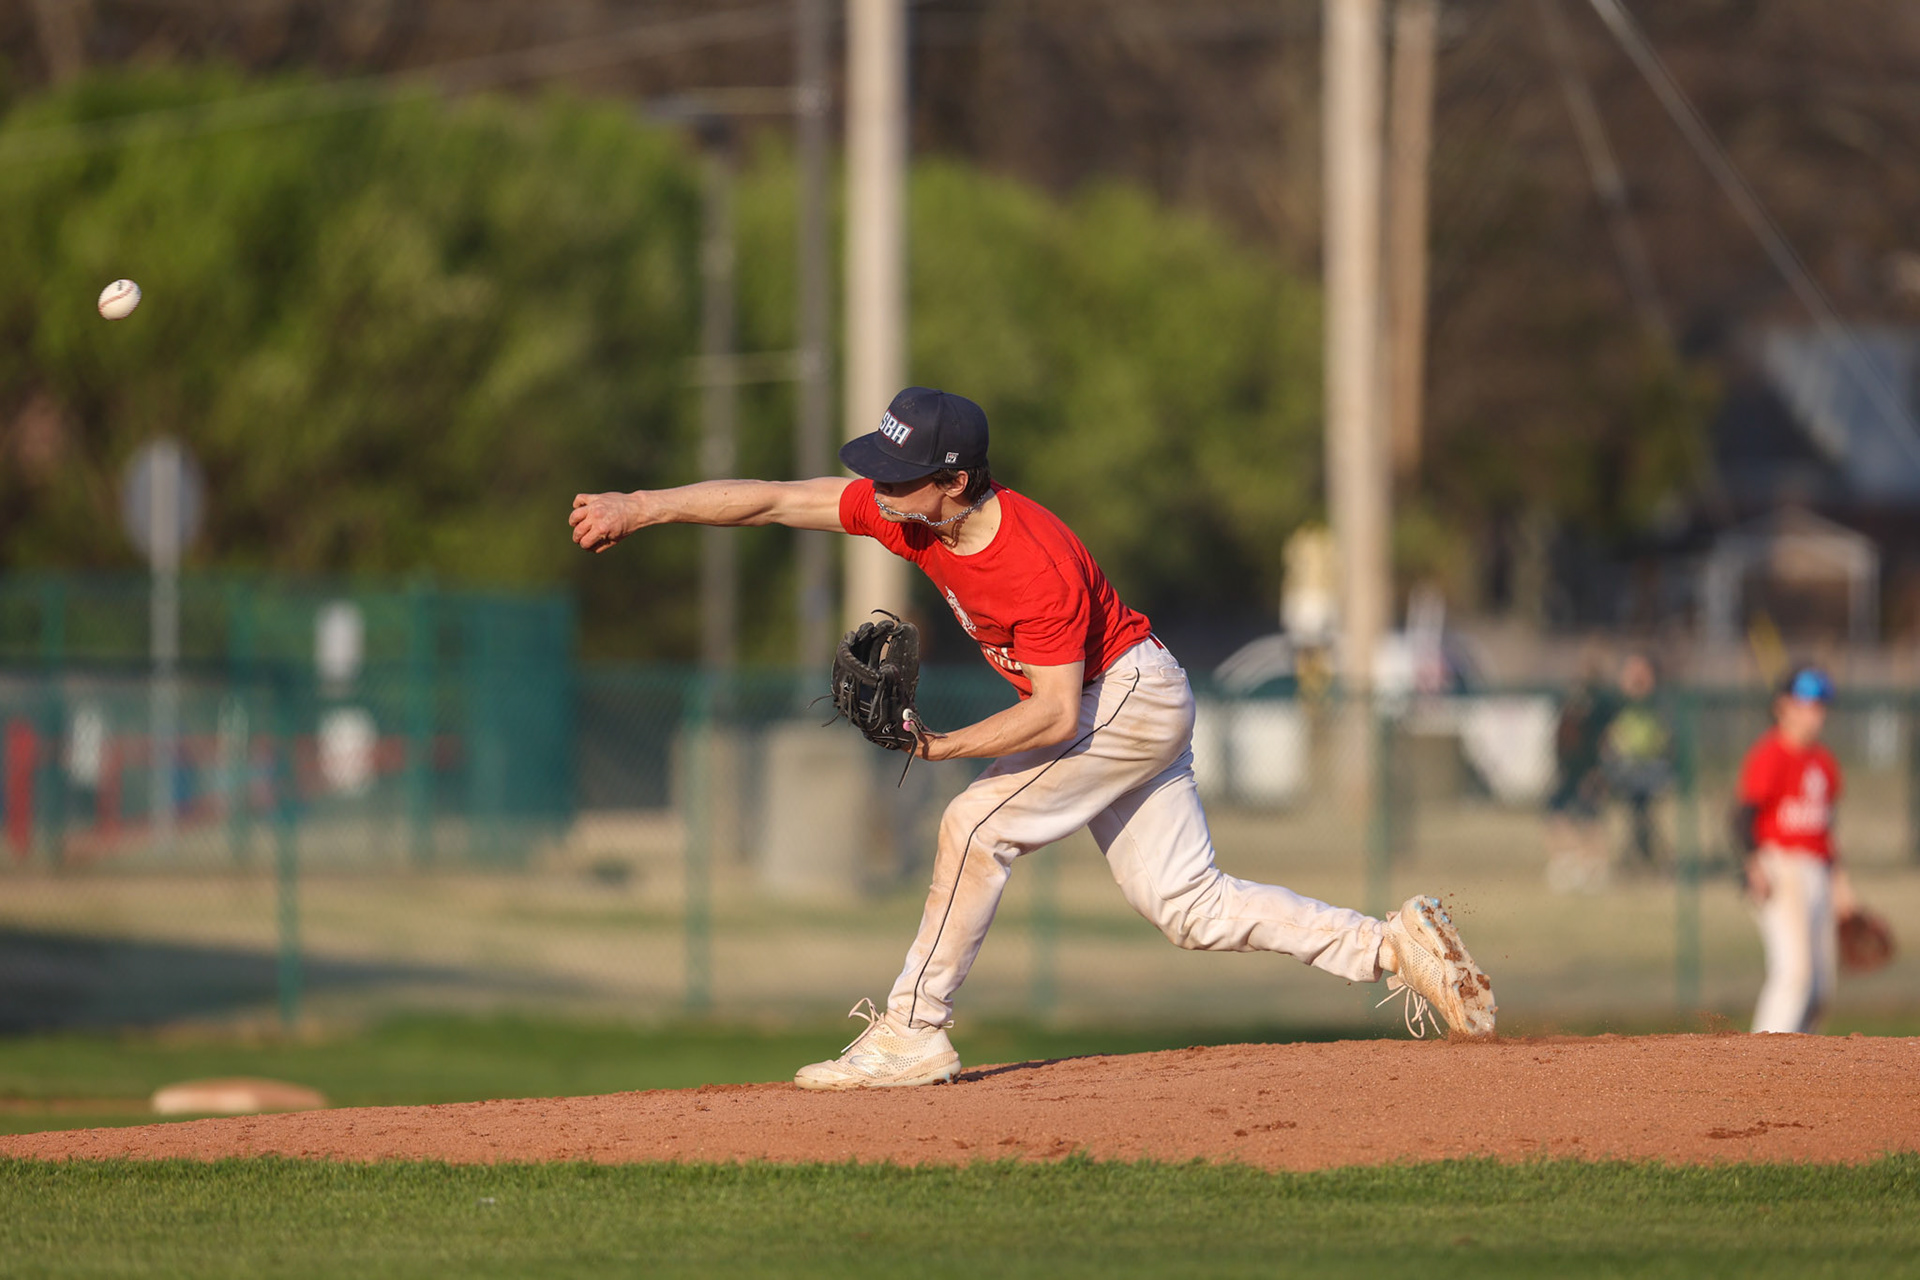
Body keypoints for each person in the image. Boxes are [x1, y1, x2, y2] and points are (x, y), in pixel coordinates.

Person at [570, 387, 1497, 1088]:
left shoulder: (1031, 564)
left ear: (956, 480)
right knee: (1189, 907)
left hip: (1117, 699)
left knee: (974, 825)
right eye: (880, 473)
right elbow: (774, 500)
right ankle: (1392, 945)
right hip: (1121, 693)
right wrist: (640, 506)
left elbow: (1055, 717)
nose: (879, 492)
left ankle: (912, 1029)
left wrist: (936, 749)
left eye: (900, 478)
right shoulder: (914, 520)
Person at [1733, 664, 1859, 1034]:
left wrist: (1842, 886)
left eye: (1820, 706)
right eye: (1806, 705)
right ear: (1782, 706)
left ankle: (1800, 1074)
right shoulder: (1770, 755)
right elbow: (1742, 817)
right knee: (1795, 974)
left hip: (1818, 871)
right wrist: (1754, 864)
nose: (1815, 715)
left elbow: (1826, 830)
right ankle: (1761, 1066)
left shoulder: (1824, 763)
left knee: (1820, 988)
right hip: (1780, 866)